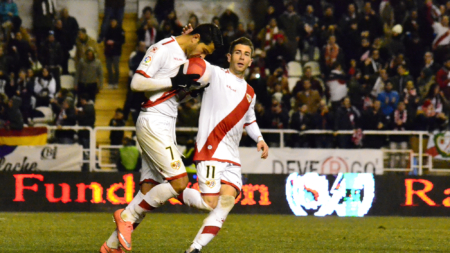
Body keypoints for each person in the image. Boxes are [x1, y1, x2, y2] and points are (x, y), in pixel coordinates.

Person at [99, 23, 223, 253]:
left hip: (166, 123)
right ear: (195, 38)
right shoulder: (163, 48)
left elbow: (172, 96)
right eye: (204, 50)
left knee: (148, 191)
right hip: (153, 122)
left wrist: (187, 91)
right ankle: (125, 216)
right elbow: (137, 84)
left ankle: (111, 246)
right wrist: (174, 82)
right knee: (179, 182)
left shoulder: (186, 56)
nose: (203, 56)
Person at [178, 37, 269, 253]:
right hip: (210, 150)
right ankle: (173, 189)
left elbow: (250, 120)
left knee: (226, 202)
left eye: (246, 54)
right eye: (238, 52)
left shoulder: (250, 92)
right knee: (209, 203)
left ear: (250, 62)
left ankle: (195, 248)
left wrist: (260, 139)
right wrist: (188, 51)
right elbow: (197, 68)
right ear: (229, 57)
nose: (242, 57)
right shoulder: (215, 74)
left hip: (231, 157)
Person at [104, 19, 125, 89]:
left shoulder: (120, 30)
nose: (112, 23)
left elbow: (122, 41)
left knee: (116, 67)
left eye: (114, 22)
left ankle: (116, 82)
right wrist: (107, 42)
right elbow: (105, 39)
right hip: (108, 51)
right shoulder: (108, 30)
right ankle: (110, 82)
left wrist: (114, 42)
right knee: (109, 67)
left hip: (116, 51)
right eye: (111, 22)